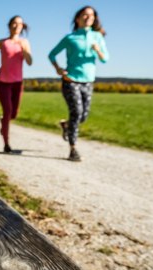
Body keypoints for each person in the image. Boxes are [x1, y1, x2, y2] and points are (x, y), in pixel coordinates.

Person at [48, 6, 109, 161]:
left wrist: (98, 50)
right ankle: (73, 149)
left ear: (94, 19)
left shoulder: (97, 37)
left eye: (91, 15)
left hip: (88, 81)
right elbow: (52, 54)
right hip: (71, 80)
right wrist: (58, 69)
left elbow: (105, 59)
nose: (88, 17)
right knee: (76, 112)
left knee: (83, 116)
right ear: (78, 18)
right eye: (85, 15)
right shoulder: (70, 38)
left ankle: (66, 125)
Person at [0, 15, 33, 153]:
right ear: (9, 26)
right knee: (7, 111)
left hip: (17, 83)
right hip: (3, 83)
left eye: (19, 24)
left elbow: (30, 62)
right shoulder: (2, 42)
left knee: (13, 114)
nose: (16, 26)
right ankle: (6, 144)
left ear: (22, 27)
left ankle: (3, 124)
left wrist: (24, 50)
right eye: (14, 23)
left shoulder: (24, 42)